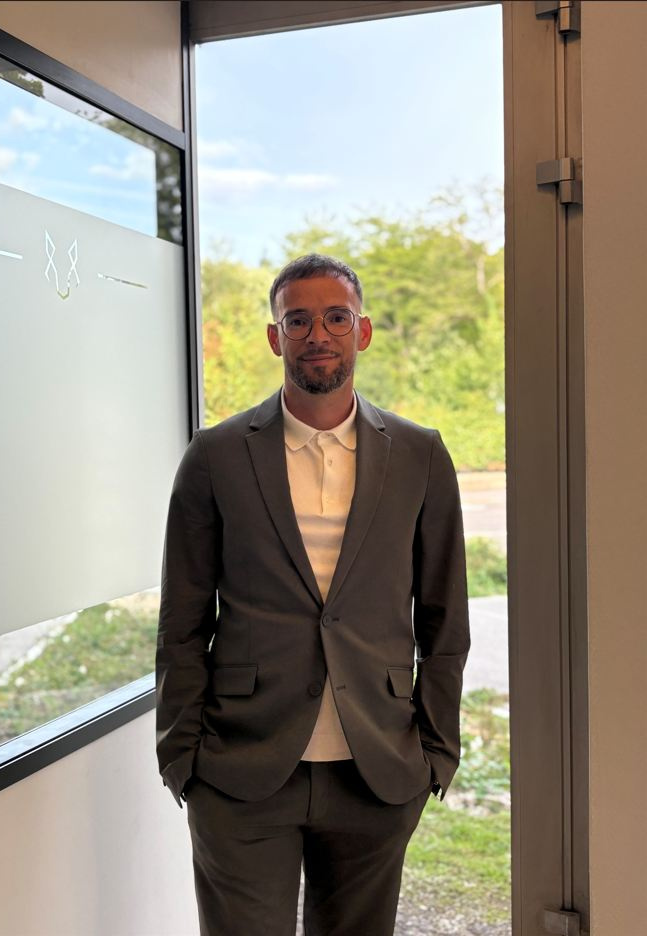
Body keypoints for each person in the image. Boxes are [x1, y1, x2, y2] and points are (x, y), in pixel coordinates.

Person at [156, 254, 470, 936]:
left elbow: (444, 618)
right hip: (240, 771)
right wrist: (183, 760)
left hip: (376, 769)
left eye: (335, 318)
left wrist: (434, 752)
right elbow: (182, 621)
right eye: (297, 321)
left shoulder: (419, 454)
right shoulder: (215, 456)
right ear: (276, 338)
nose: (317, 334)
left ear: (362, 331)